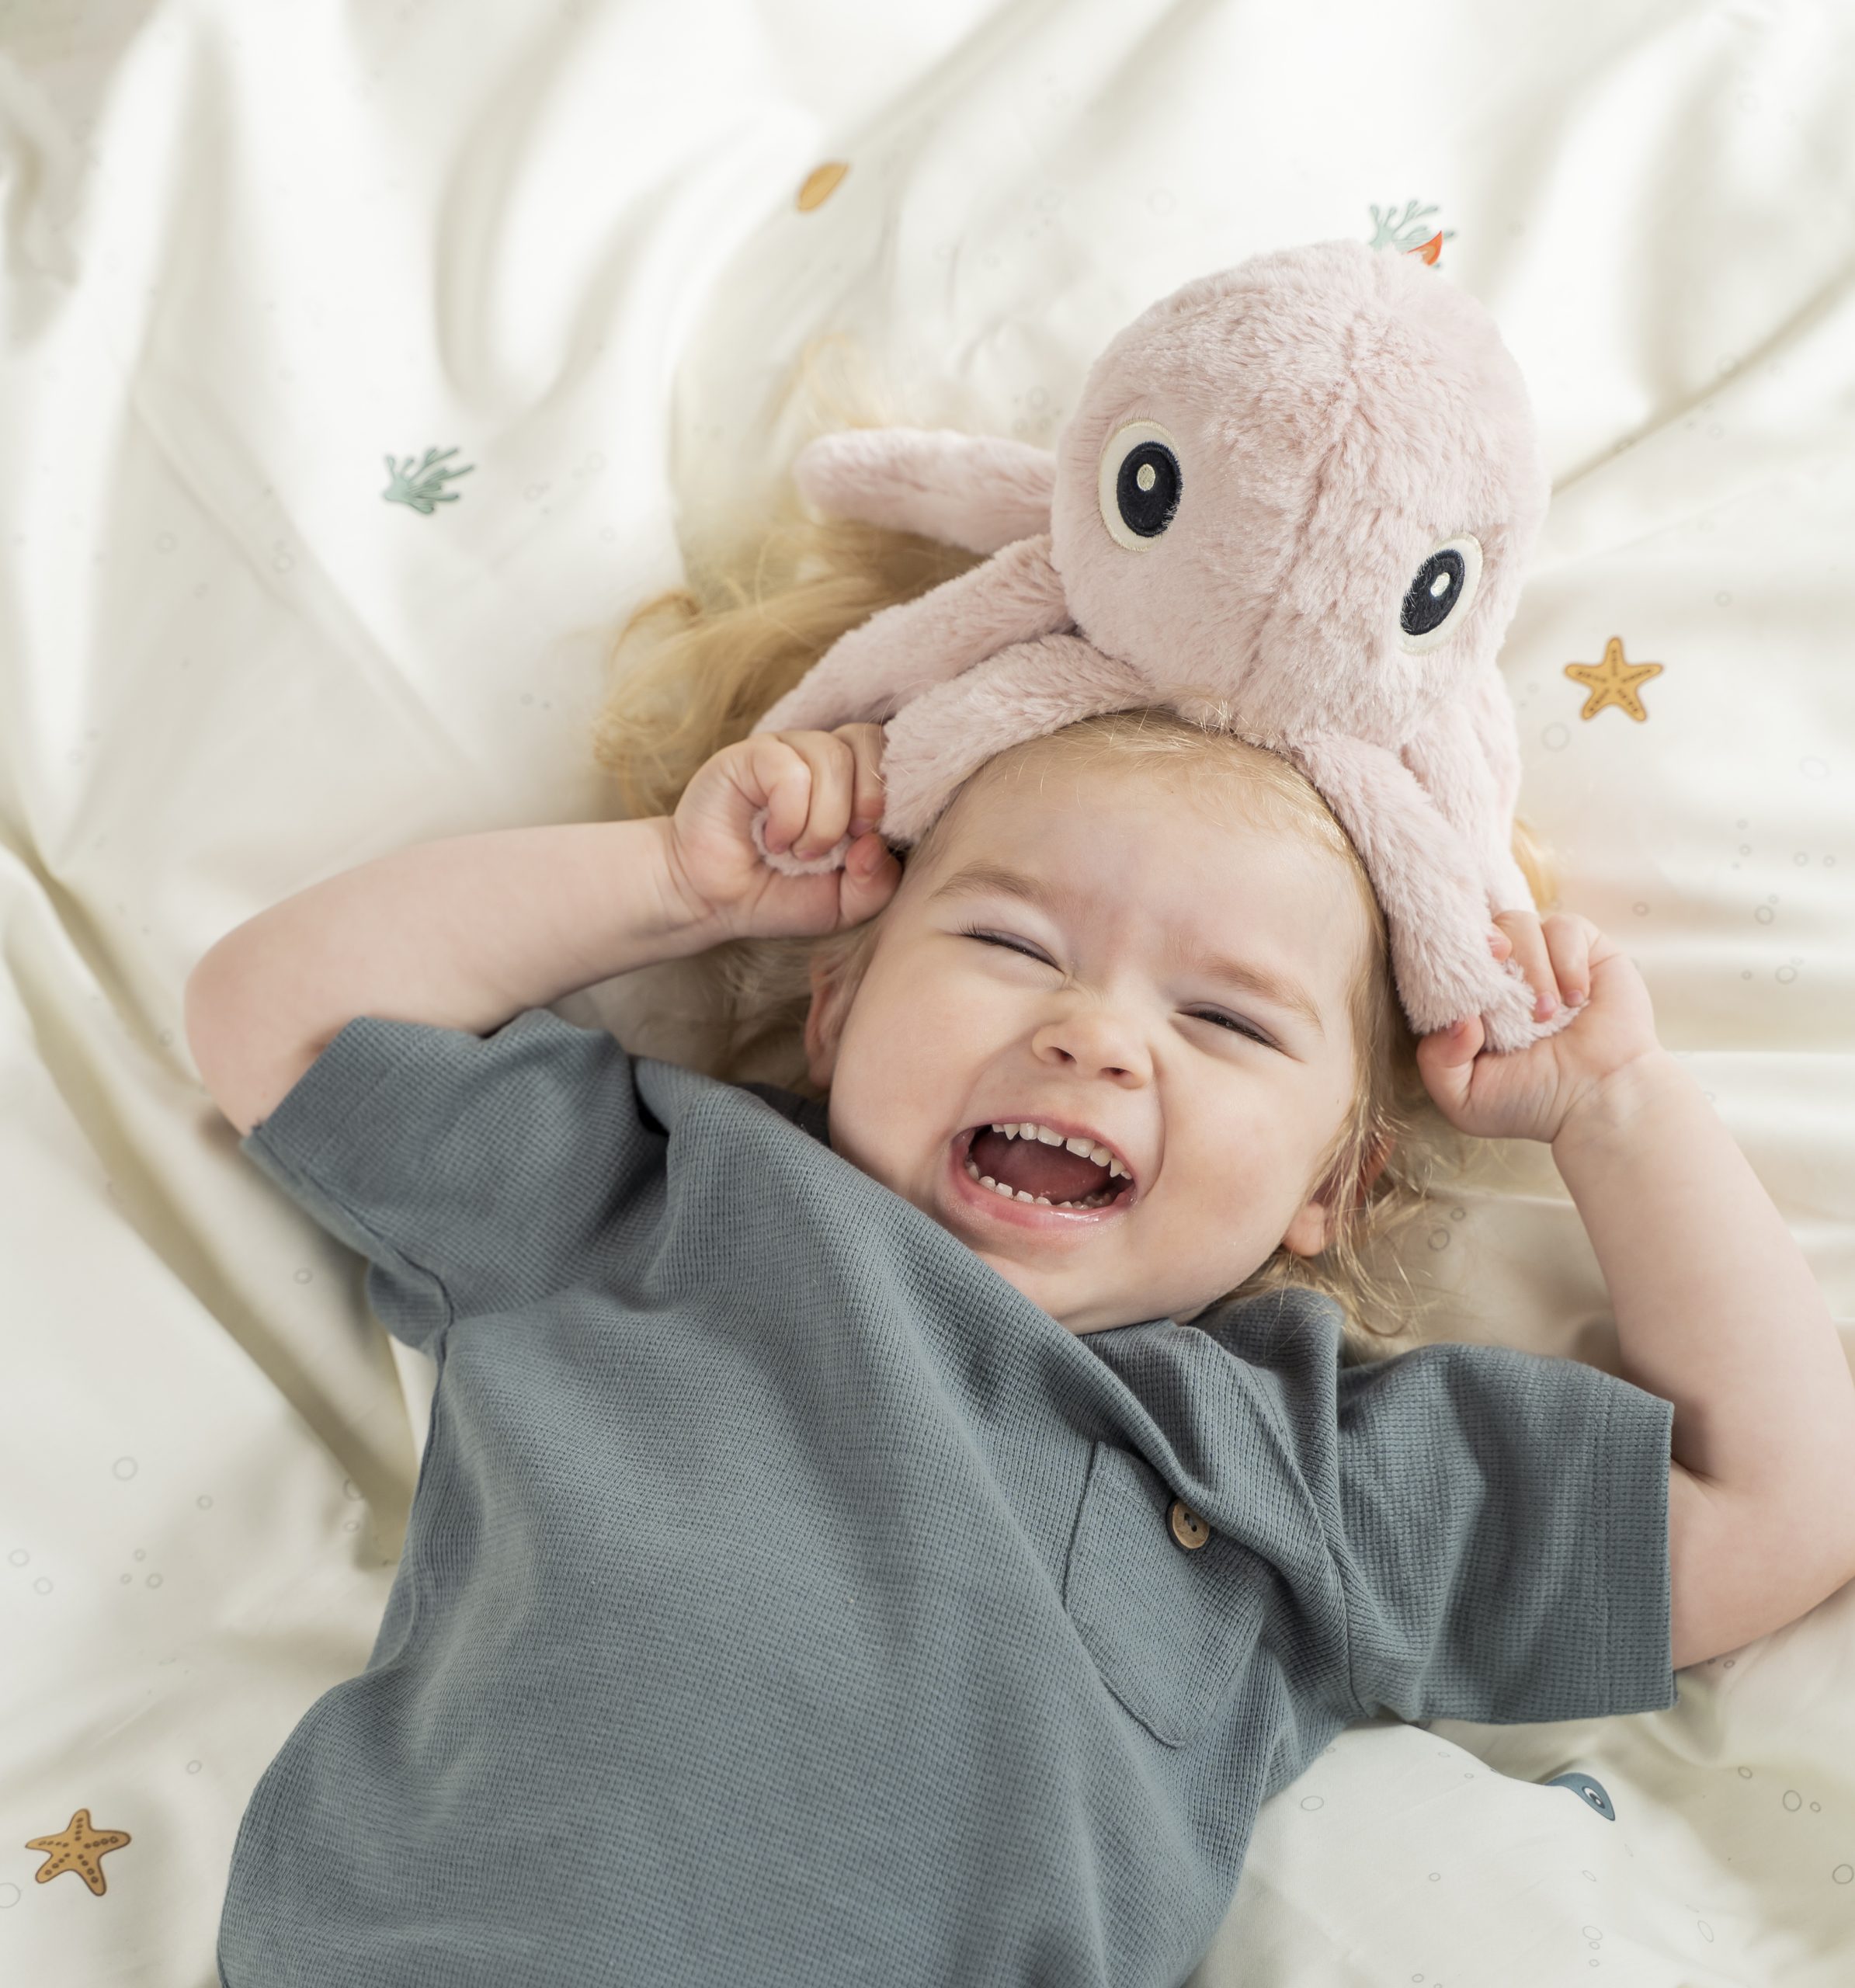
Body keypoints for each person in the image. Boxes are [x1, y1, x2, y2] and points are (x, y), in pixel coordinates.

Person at [187, 492, 1855, 1988]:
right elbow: (273, 1016)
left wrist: (1615, 1112)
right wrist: (681, 887)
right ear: (833, 1005)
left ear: (1325, 1189)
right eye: (1008, 939)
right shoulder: (658, 1196)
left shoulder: (1308, 1464)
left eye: (1225, 1019)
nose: (1095, 1035)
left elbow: (1776, 1512)